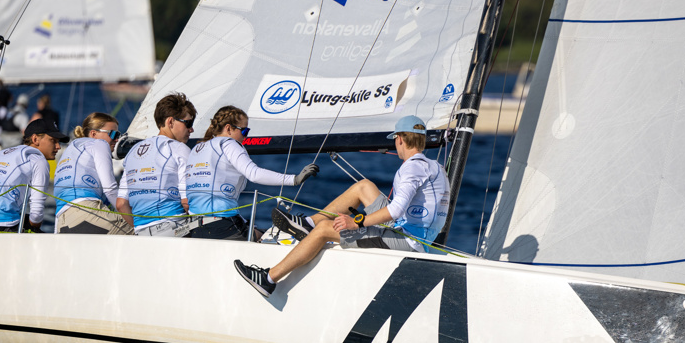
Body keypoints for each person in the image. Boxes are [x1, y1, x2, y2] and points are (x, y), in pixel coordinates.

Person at [234, 115, 449, 297]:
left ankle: (269, 279)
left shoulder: (412, 168)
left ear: (400, 139)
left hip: (408, 241)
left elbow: (396, 210)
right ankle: (308, 224)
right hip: (411, 232)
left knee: (324, 230)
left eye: (395, 139)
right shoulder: (435, 167)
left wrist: (357, 222)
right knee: (364, 187)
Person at [184, 106, 318, 241]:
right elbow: (254, 174)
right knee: (274, 237)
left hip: (195, 229)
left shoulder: (197, 148)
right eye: (244, 131)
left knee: (258, 231)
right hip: (223, 227)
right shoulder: (229, 143)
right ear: (228, 128)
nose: (245, 136)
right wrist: (294, 179)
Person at [0, 118, 68, 233]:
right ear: (35, 139)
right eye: (53, 141)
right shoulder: (38, 160)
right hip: (0, 224)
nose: (58, 146)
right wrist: (34, 227)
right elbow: (36, 215)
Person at [118, 92, 196, 236]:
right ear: (170, 122)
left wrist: (141, 228)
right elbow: (187, 202)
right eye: (188, 123)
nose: (191, 129)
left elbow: (121, 204)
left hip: (141, 233)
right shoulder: (179, 149)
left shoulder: (133, 151)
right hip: (174, 227)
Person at [53, 112, 133, 235]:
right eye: (113, 134)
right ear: (94, 134)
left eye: (119, 135)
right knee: (142, 231)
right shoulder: (99, 143)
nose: (117, 139)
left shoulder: (71, 148)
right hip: (86, 212)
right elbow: (110, 189)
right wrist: (133, 220)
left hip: (61, 222)